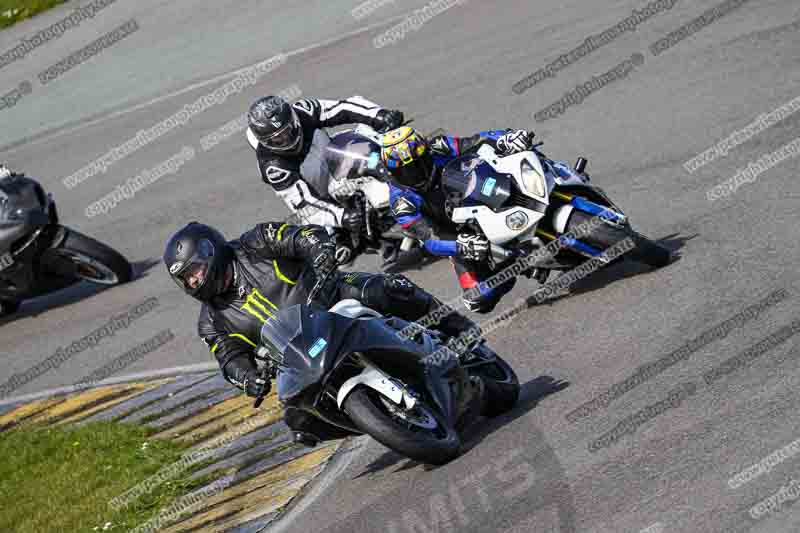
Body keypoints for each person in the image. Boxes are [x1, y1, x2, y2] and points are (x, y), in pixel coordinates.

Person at [163, 220, 478, 446]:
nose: (193, 283)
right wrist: (248, 378)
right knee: (298, 422)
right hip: (299, 354)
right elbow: (228, 358)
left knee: (386, 289)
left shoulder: (255, 243)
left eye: (194, 272)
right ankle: (379, 420)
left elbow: (304, 238)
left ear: (210, 252)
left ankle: (457, 330)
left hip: (333, 300)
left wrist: (322, 256)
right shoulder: (212, 322)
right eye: (186, 280)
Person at [380, 126, 537, 313]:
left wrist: (506, 138)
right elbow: (429, 238)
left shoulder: (439, 146)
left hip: (486, 195)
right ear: (392, 172)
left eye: (419, 164)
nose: (416, 174)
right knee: (478, 299)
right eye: (405, 171)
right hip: (463, 235)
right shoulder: (400, 201)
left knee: (522, 152)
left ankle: (560, 176)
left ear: (426, 153)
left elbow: (477, 140)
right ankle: (515, 265)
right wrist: (459, 245)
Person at [245, 95, 404, 263]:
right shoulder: (273, 167)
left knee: (367, 133)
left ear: (293, 119)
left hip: (339, 158)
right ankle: (361, 238)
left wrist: (380, 115)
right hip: (325, 196)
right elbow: (305, 205)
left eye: (288, 129)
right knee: (337, 250)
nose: (286, 138)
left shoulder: (303, 110)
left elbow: (343, 108)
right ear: (266, 141)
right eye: (278, 138)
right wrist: (342, 216)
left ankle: (403, 163)